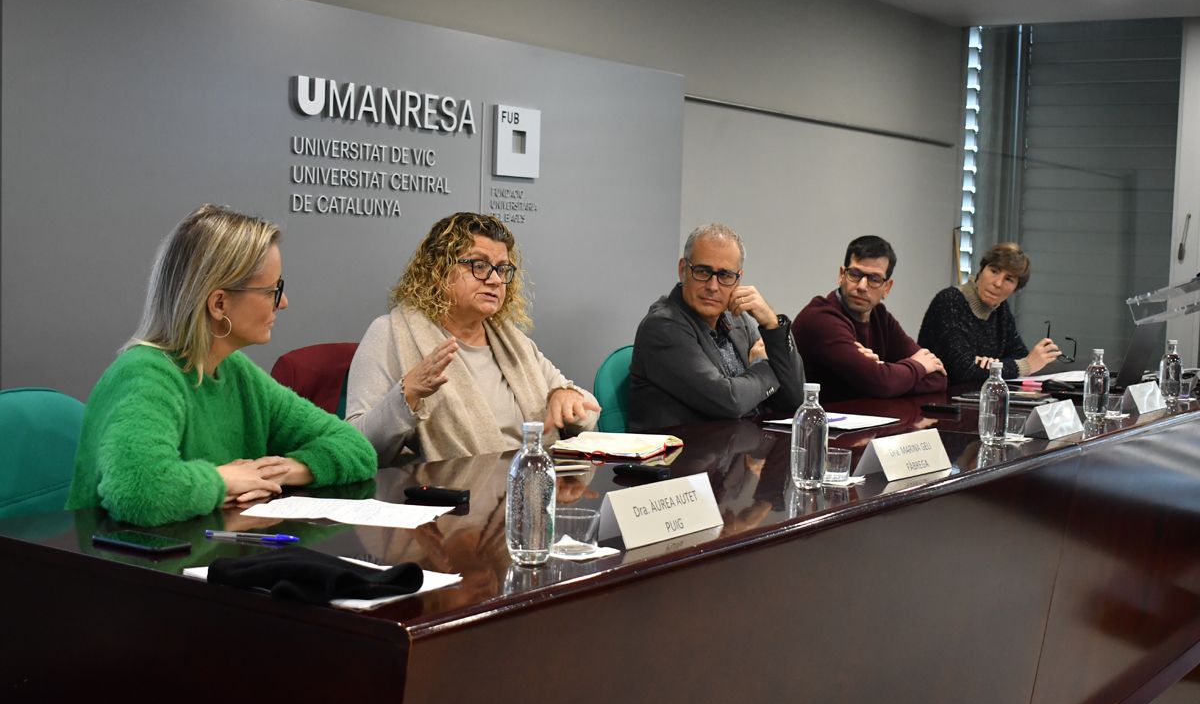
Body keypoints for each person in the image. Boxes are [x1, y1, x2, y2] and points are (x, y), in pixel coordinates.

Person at [68, 204, 377, 527]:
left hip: (209, 558)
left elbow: (357, 449)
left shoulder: (238, 373)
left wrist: (287, 469)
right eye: (273, 291)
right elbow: (139, 490)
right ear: (219, 304)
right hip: (124, 570)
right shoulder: (144, 374)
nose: (283, 303)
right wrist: (225, 480)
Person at [346, 212, 599, 464]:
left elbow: (587, 413)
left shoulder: (512, 340)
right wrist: (407, 394)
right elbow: (354, 446)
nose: (496, 279)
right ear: (439, 270)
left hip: (527, 485)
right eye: (480, 266)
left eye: (502, 269)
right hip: (446, 495)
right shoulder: (391, 333)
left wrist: (567, 396)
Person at [628, 223, 805, 431]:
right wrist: (765, 363)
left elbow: (795, 399)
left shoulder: (736, 317)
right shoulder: (662, 326)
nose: (713, 286)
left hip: (738, 452)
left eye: (725, 276)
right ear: (683, 270)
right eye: (703, 271)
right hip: (684, 458)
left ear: (737, 279)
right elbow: (730, 402)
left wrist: (772, 324)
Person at [792, 235, 947, 402]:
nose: (862, 286)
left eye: (874, 279)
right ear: (841, 275)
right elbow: (881, 384)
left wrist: (881, 372)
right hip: (814, 424)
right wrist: (914, 368)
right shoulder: (820, 317)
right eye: (855, 274)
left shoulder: (881, 318)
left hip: (862, 422)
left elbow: (938, 378)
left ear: (887, 287)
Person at [917, 242, 1061, 384]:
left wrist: (993, 365)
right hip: (939, 400)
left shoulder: (1001, 309)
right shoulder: (950, 301)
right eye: (994, 271)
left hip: (977, 397)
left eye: (1009, 279)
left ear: (1016, 289)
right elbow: (963, 370)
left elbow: (1018, 354)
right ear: (981, 270)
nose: (998, 283)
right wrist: (1026, 366)